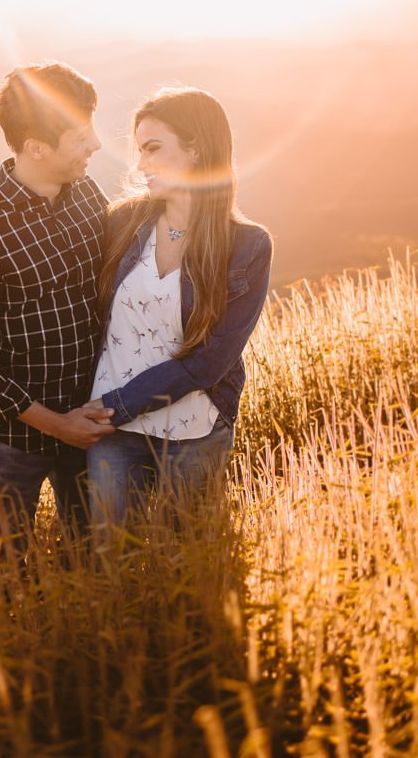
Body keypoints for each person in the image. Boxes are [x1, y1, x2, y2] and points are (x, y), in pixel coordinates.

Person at [0, 62, 114, 559]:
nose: (96, 146)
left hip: (92, 421)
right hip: (13, 438)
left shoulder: (88, 196)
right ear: (36, 148)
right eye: (81, 136)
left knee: (93, 551)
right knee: (3, 559)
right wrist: (56, 424)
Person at [87, 87, 272, 529]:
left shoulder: (247, 246)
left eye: (153, 149)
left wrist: (116, 405)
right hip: (113, 434)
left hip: (193, 430)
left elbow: (207, 362)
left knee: (190, 563)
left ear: (196, 148)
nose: (140, 164)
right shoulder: (121, 223)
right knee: (112, 565)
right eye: (138, 150)